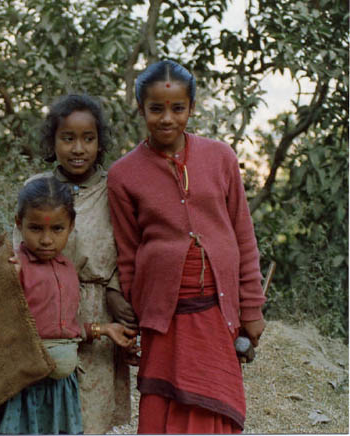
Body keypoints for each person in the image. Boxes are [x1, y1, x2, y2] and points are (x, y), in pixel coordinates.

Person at [107, 60, 267, 434]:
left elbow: (243, 234)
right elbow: (128, 254)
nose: (167, 118)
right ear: (141, 109)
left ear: (191, 108)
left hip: (216, 312)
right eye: (156, 108)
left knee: (215, 405)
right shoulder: (124, 174)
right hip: (165, 320)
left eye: (178, 108)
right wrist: (134, 319)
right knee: (164, 408)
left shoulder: (221, 157)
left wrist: (252, 306)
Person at [0, 177, 135, 435]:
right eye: (36, 228)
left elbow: (65, 329)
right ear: (19, 223)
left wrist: (104, 329)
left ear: (71, 226)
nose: (47, 240)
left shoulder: (68, 270)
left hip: (60, 395)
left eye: (57, 229)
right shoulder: (13, 270)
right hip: (23, 392)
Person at [13, 94, 136, 433]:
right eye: (68, 138)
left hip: (99, 314)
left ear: (100, 143)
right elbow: (19, 253)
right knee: (42, 414)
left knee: (89, 420)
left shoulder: (115, 190)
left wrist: (113, 289)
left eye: (88, 138)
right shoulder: (37, 188)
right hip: (44, 311)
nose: (78, 148)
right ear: (53, 142)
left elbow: (130, 247)